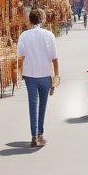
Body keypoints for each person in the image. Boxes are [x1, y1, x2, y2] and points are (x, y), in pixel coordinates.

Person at [16, 9, 60, 148]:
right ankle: (40, 133)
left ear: (30, 19)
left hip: (30, 75)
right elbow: (54, 58)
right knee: (42, 105)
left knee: (32, 105)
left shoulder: (24, 35)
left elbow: (20, 57)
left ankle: (34, 135)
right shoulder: (49, 35)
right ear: (42, 19)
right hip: (45, 75)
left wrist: (19, 73)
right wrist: (56, 76)